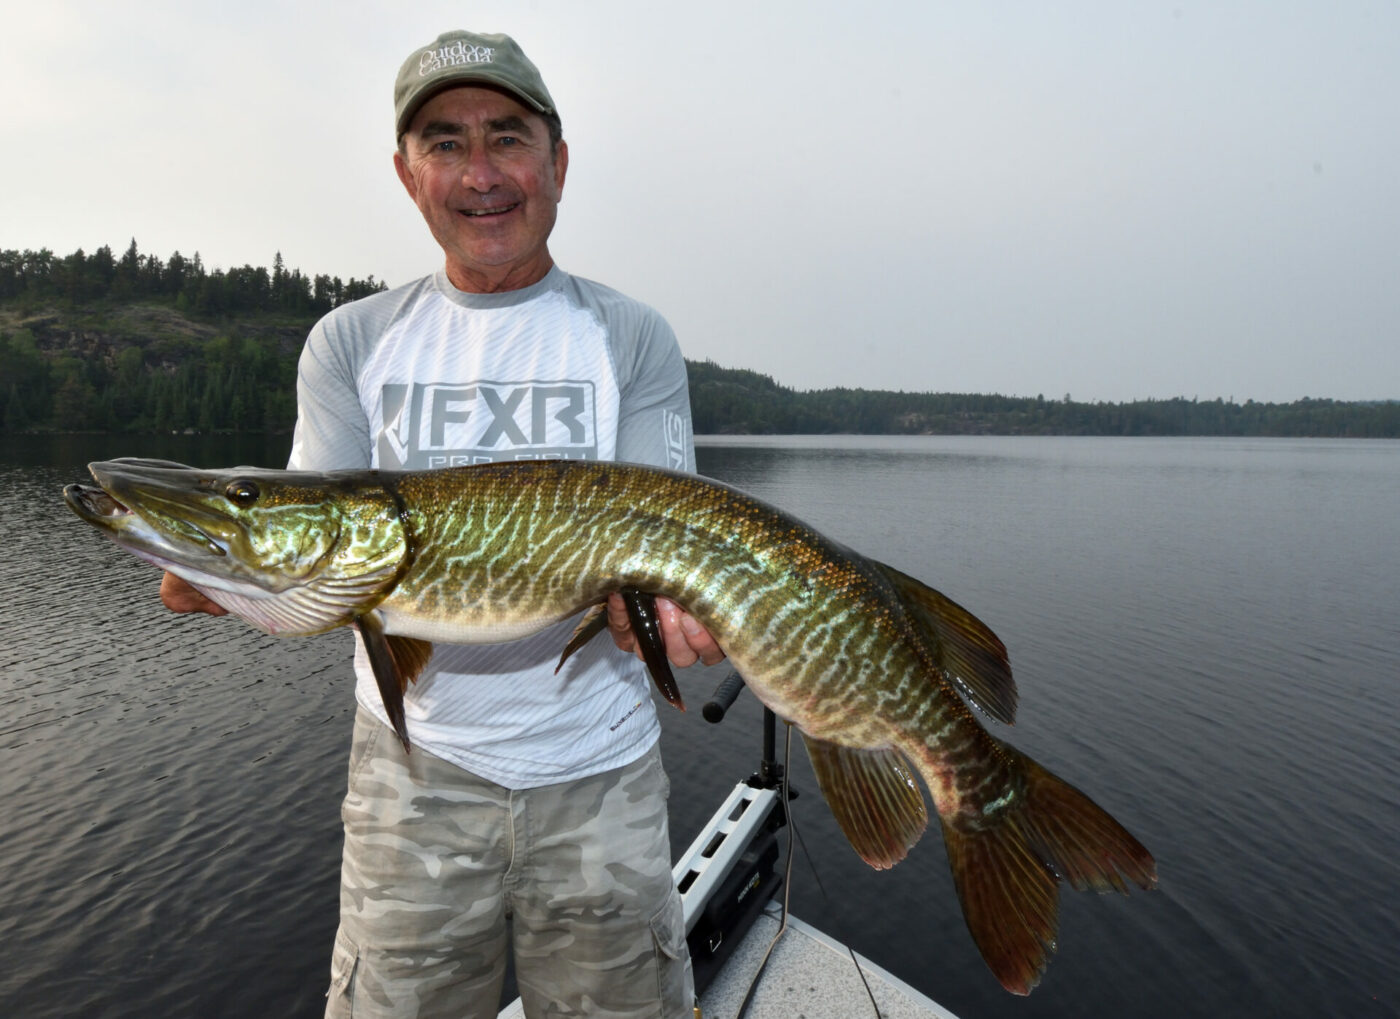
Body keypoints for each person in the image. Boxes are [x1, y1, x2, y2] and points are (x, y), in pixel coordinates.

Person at [160, 29, 721, 1019]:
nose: (479, 173)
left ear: (557, 162)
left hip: (600, 775)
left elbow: (659, 552)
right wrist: (227, 569)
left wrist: (663, 614)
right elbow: (314, 548)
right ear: (405, 173)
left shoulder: (627, 335)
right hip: (407, 779)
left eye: (506, 138)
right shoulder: (349, 341)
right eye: (443, 143)